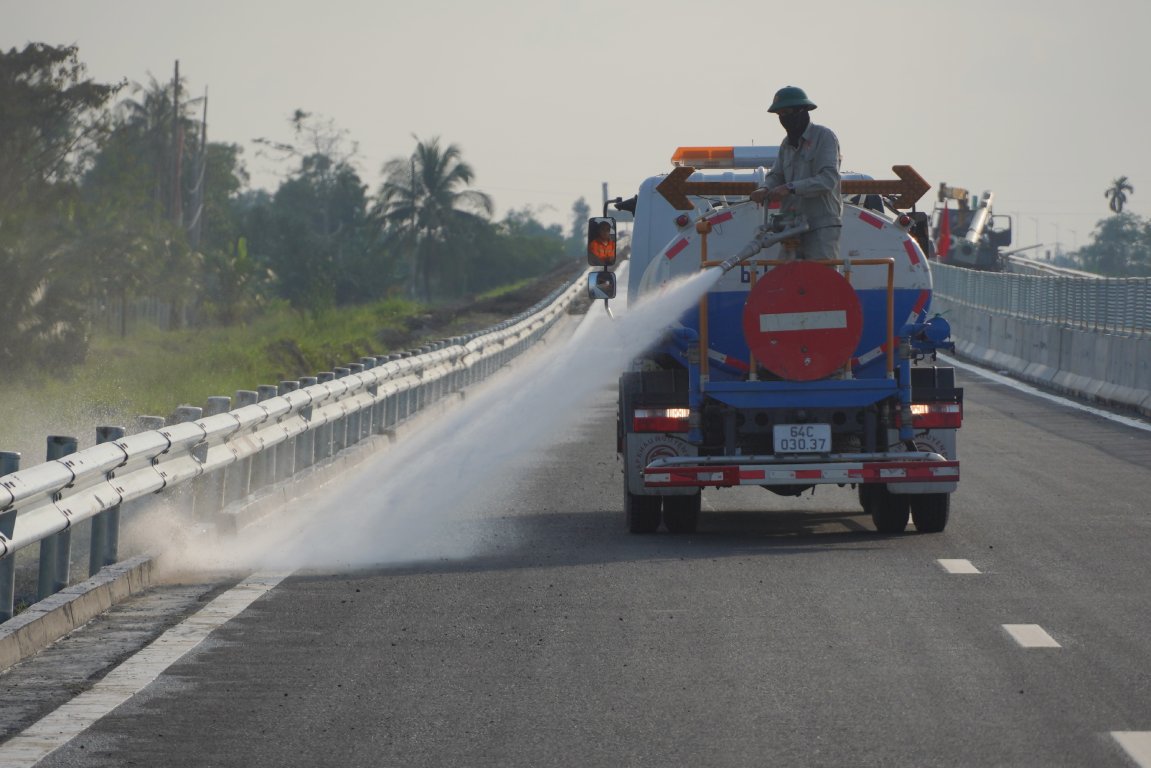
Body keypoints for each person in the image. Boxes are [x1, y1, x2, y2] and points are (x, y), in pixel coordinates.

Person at [749, 85, 842, 260]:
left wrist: (791, 187)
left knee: (820, 280)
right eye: (780, 115)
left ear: (803, 110)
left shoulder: (824, 137)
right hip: (791, 226)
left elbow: (828, 180)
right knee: (786, 280)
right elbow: (776, 175)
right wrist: (764, 188)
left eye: (788, 113)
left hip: (820, 227)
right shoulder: (786, 144)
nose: (784, 119)